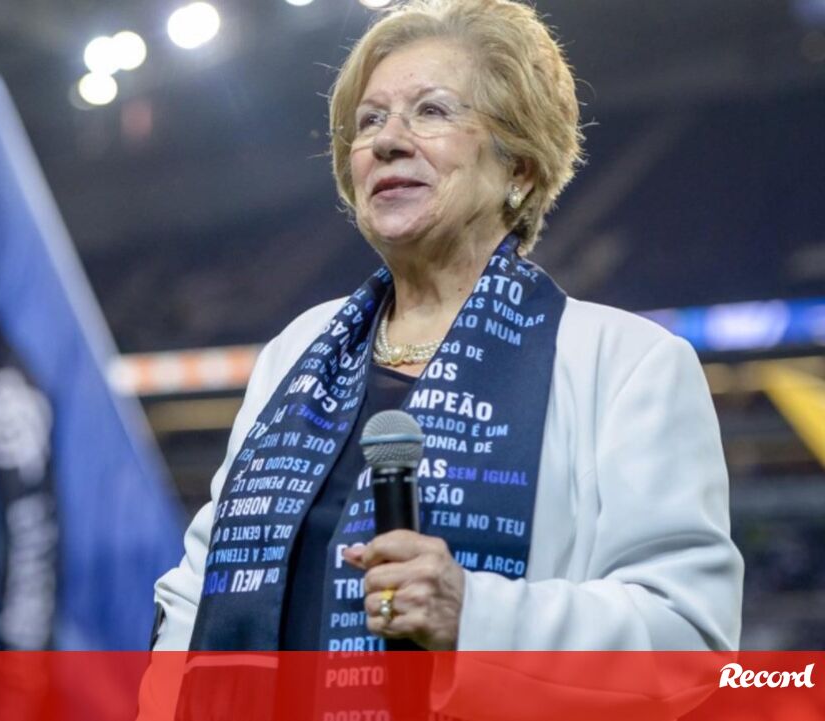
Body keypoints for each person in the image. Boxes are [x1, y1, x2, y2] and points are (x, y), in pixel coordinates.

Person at [149, 0, 743, 655]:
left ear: (518, 167)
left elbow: (690, 636)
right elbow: (197, 588)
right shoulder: (296, 352)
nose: (387, 140)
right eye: (370, 120)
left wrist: (476, 615)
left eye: (431, 111)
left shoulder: (628, 364)